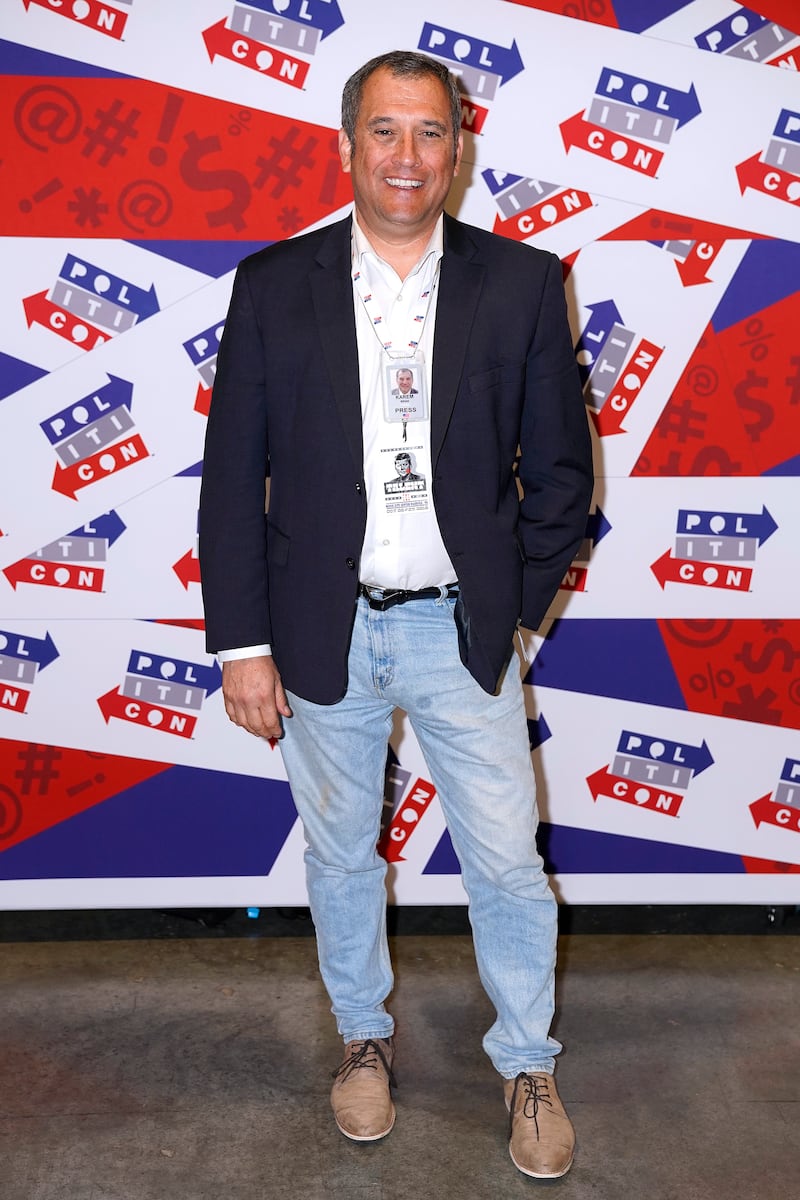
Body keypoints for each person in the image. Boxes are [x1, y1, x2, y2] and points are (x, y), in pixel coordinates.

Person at [199, 49, 593, 1180]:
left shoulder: (519, 283)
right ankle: (362, 1043)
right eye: (384, 131)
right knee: (339, 858)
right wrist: (243, 643)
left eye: (429, 132)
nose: (407, 156)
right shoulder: (274, 286)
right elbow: (235, 478)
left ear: (457, 148)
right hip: (318, 623)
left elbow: (561, 477)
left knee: (507, 866)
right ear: (346, 143)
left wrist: (514, 610)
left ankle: (527, 1063)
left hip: (460, 628)